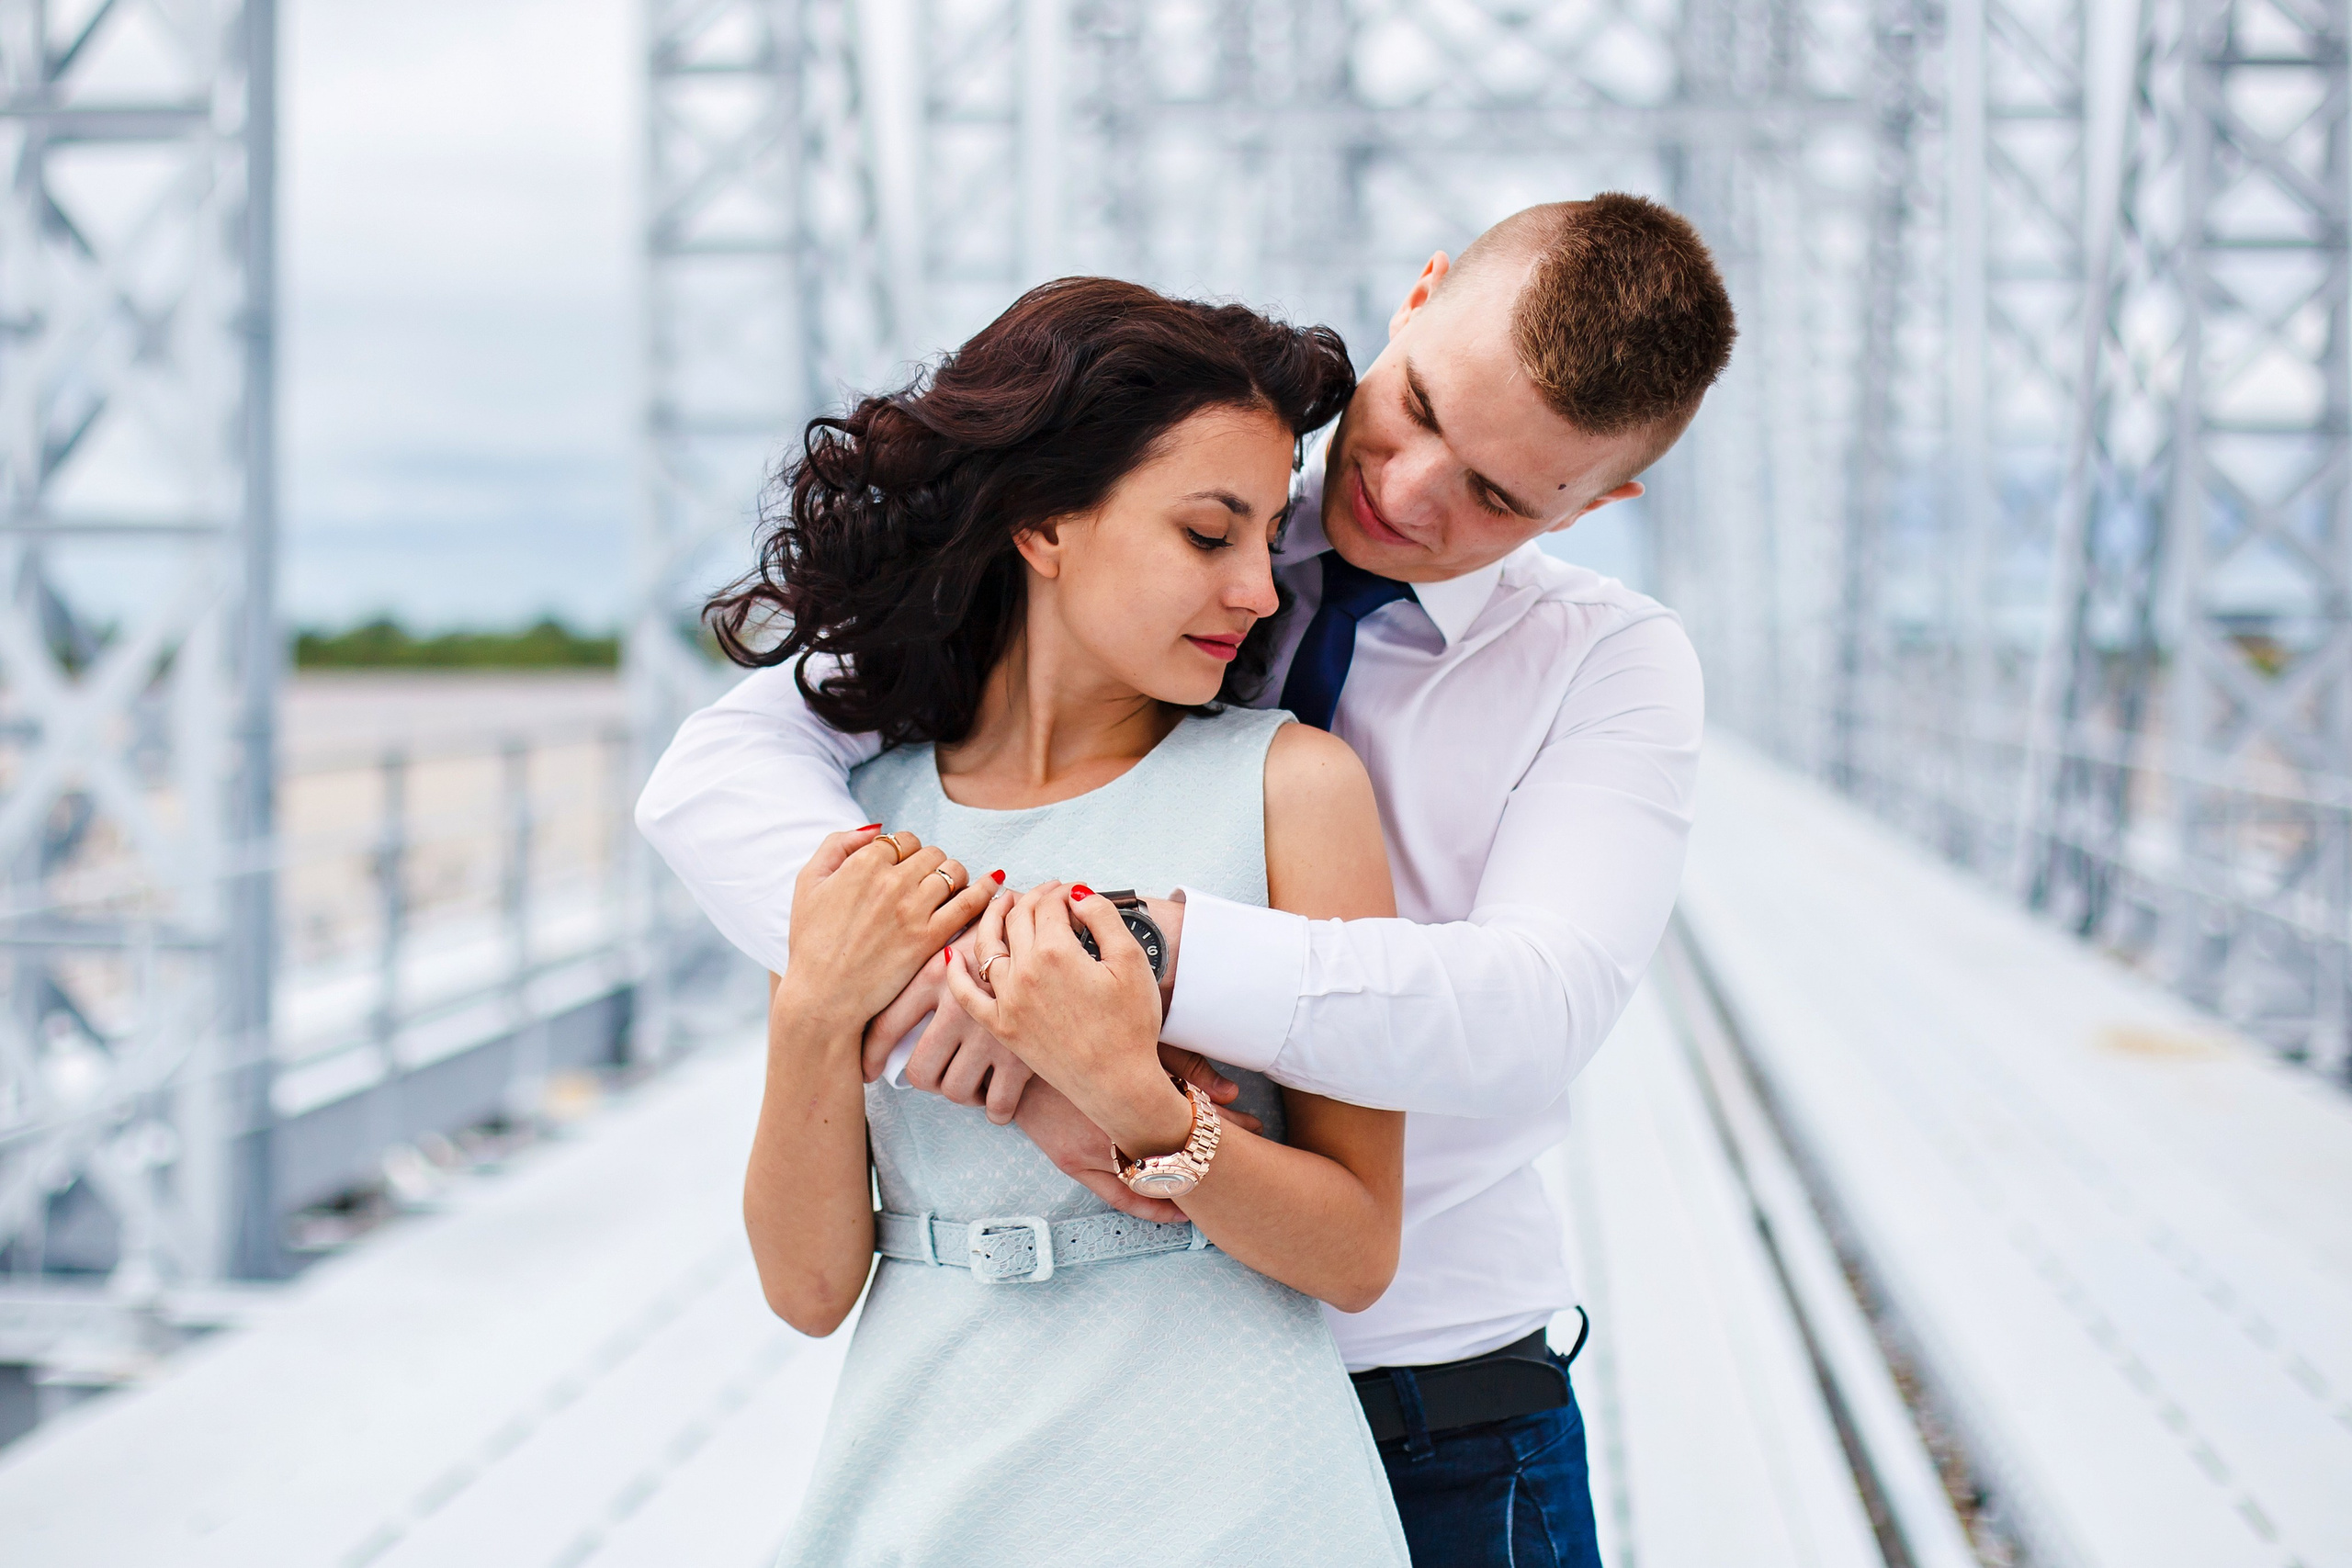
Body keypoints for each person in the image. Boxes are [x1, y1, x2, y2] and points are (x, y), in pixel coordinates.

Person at [641, 194, 1736, 1568]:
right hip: (1062, 1411)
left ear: (1604, 501)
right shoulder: (1175, 511)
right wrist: (976, 1002)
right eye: (1422, 413)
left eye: (1500, 496)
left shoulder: (1603, 664)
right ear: (1419, 294)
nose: (1405, 494)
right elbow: (720, 773)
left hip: (1431, 1406)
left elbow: (1535, 1010)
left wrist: (1134, 967)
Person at [736, 278, 1413, 1564]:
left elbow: (1358, 1250)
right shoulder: (864, 815)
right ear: (1044, 525)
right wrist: (815, 1010)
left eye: (1268, 540)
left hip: (1242, 1492)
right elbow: (810, 1290)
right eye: (1209, 534)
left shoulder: (1293, 787)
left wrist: (1137, 1102)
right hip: (928, 1479)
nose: (1260, 593)